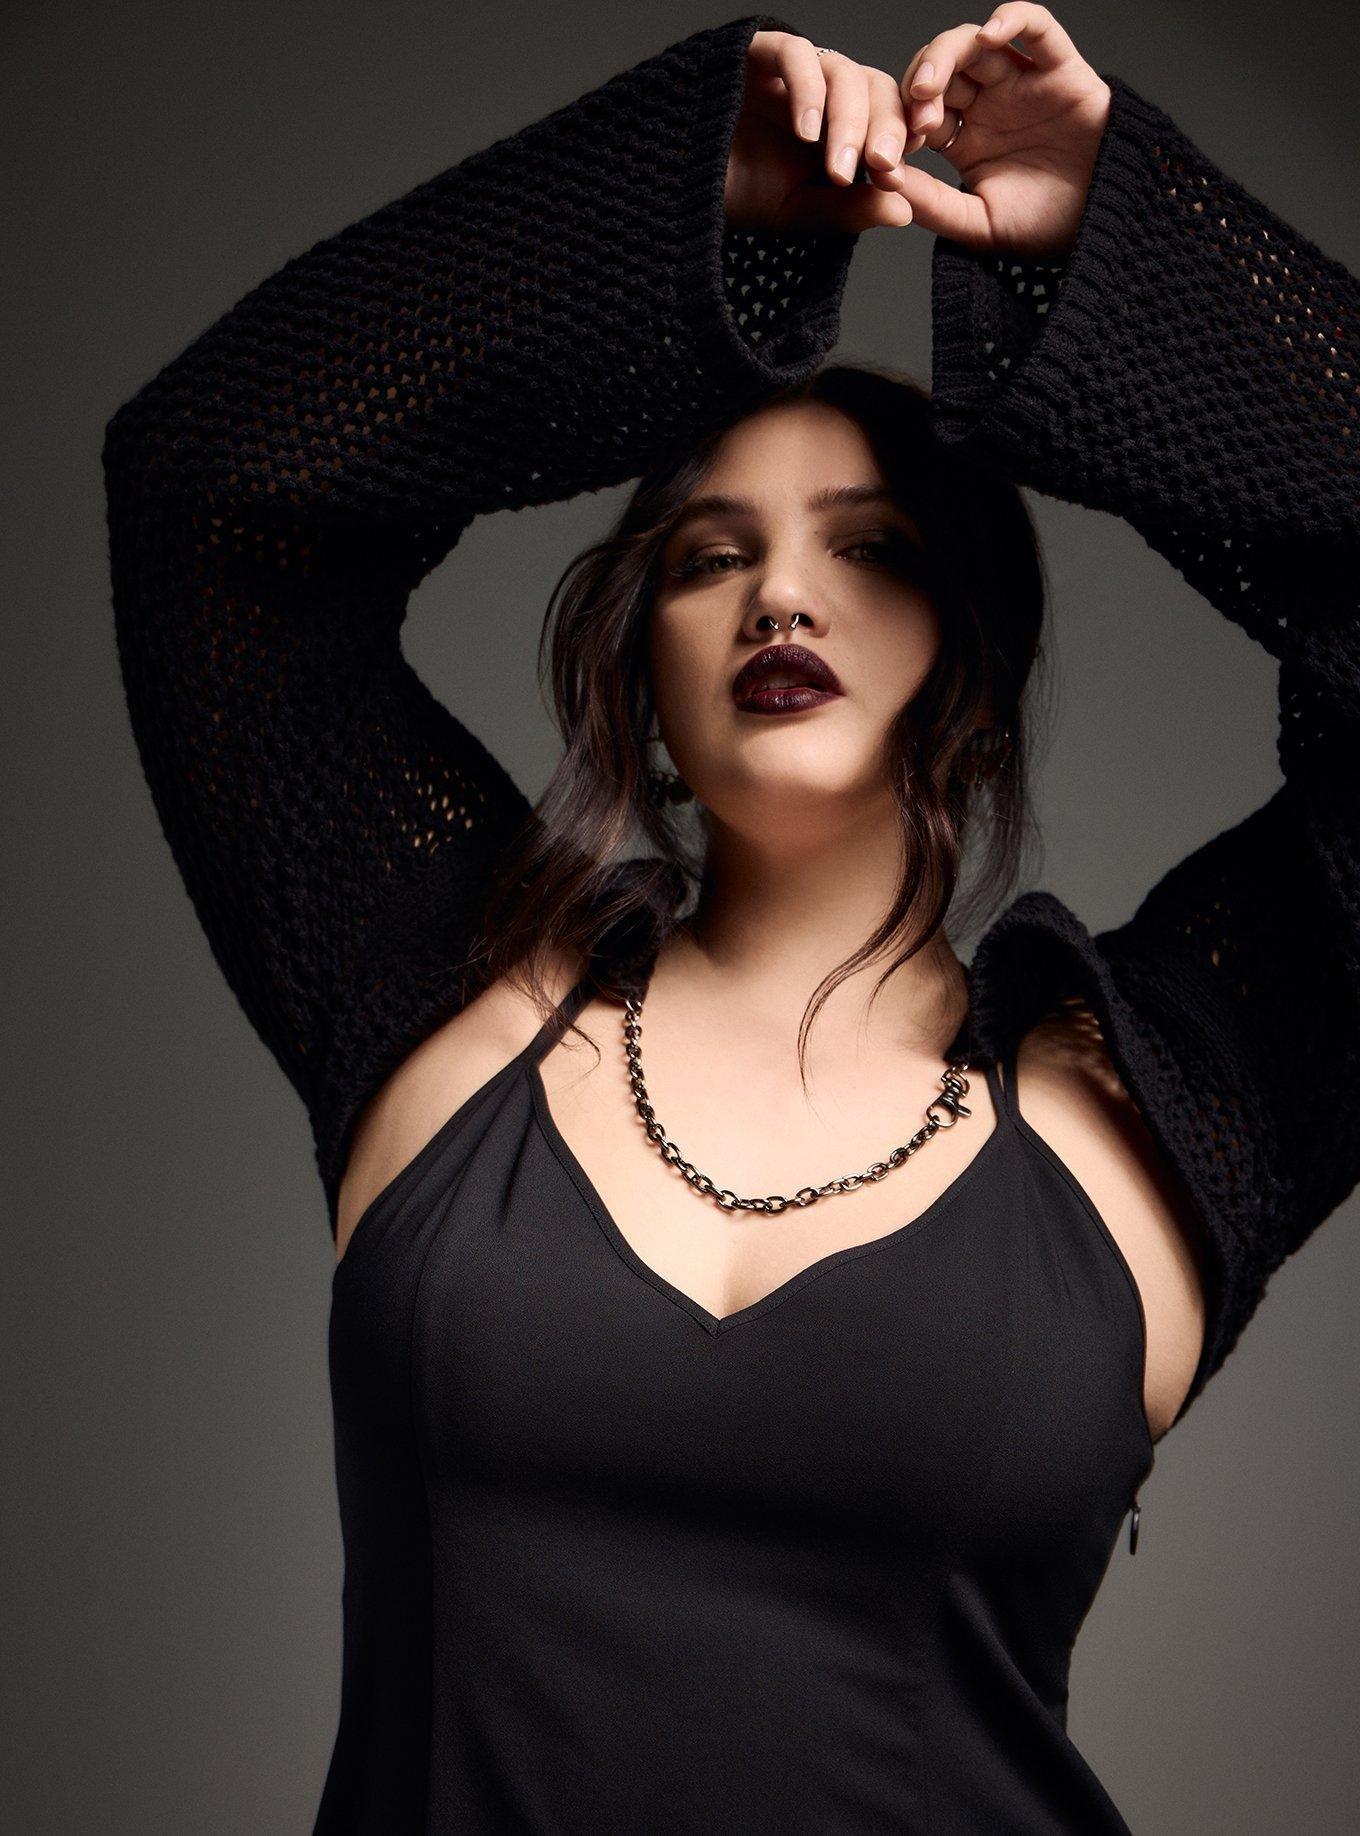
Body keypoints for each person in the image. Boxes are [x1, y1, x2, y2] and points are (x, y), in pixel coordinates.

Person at [101, 7, 1358, 1831]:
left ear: (972, 660)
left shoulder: (1141, 1112)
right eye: (711, 556)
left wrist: (1120, 250)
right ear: (645, 675)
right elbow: (210, 489)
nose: (782, 594)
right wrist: (685, 222)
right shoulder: (455, 991)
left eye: (868, 546)